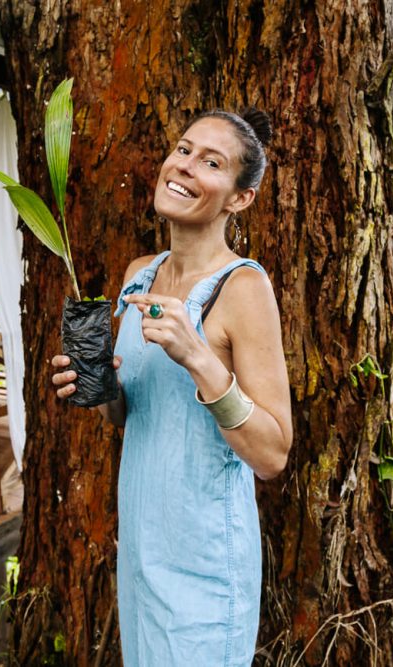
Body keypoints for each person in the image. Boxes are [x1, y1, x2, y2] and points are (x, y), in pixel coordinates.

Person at [51, 108, 292, 666]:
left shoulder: (243, 287)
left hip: (205, 560)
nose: (184, 167)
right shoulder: (141, 273)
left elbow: (273, 453)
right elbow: (135, 413)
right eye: (183, 150)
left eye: (212, 162)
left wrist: (197, 356)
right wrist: (96, 383)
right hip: (142, 549)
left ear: (239, 198)